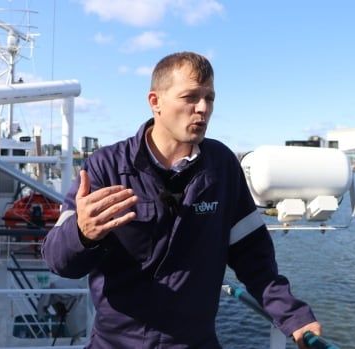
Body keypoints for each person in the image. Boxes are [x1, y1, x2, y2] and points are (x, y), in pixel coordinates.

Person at [42, 51, 321, 348]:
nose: (202, 108)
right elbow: (59, 261)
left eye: (209, 98)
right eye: (190, 97)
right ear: (155, 102)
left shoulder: (222, 167)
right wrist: (82, 234)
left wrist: (292, 316)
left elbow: (253, 257)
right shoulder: (106, 167)